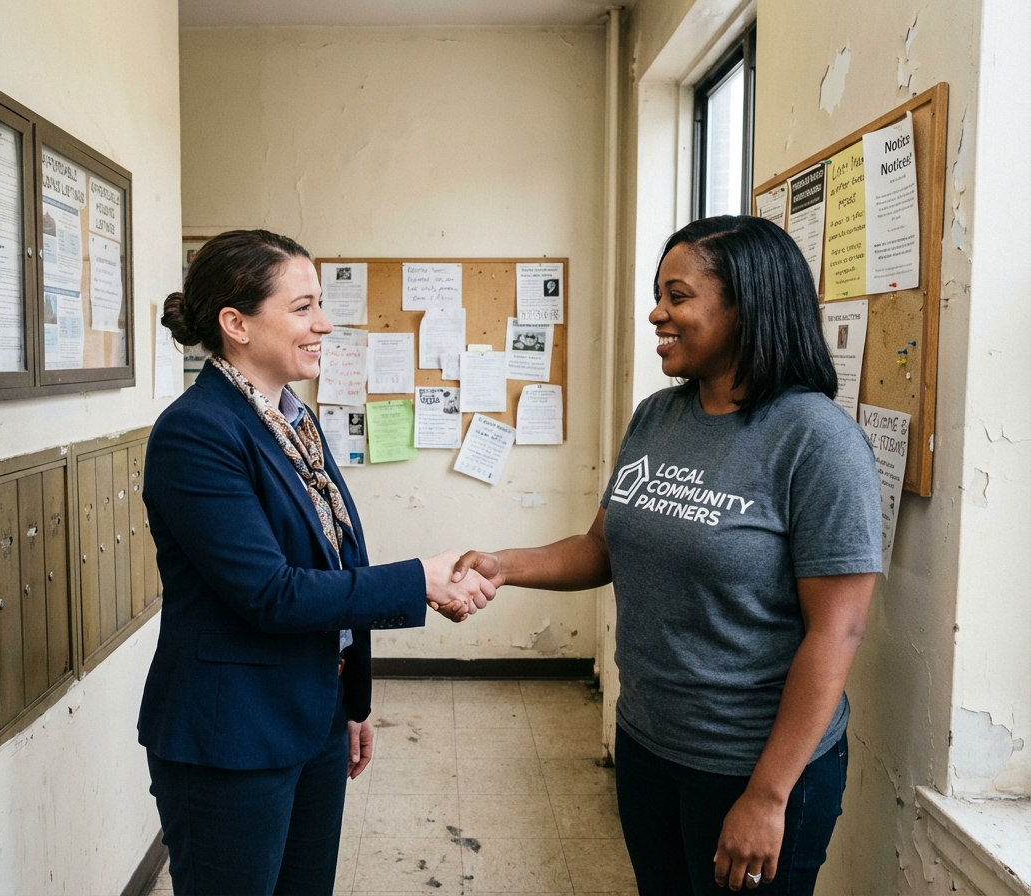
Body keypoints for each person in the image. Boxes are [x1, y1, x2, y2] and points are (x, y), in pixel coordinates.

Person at [453, 216, 881, 895]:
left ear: (749, 305)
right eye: (660, 294)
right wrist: (505, 565)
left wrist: (768, 797)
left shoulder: (818, 442)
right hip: (649, 740)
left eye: (677, 295)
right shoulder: (658, 416)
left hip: (750, 764)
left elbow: (838, 632)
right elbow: (603, 547)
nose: (657, 313)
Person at [138, 229, 494, 896]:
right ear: (235, 323)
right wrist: (419, 581)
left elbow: (332, 562)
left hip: (314, 714)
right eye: (303, 308)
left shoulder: (291, 421)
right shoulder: (197, 432)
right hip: (233, 737)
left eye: (320, 304)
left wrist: (350, 702)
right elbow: (271, 593)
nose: (324, 324)